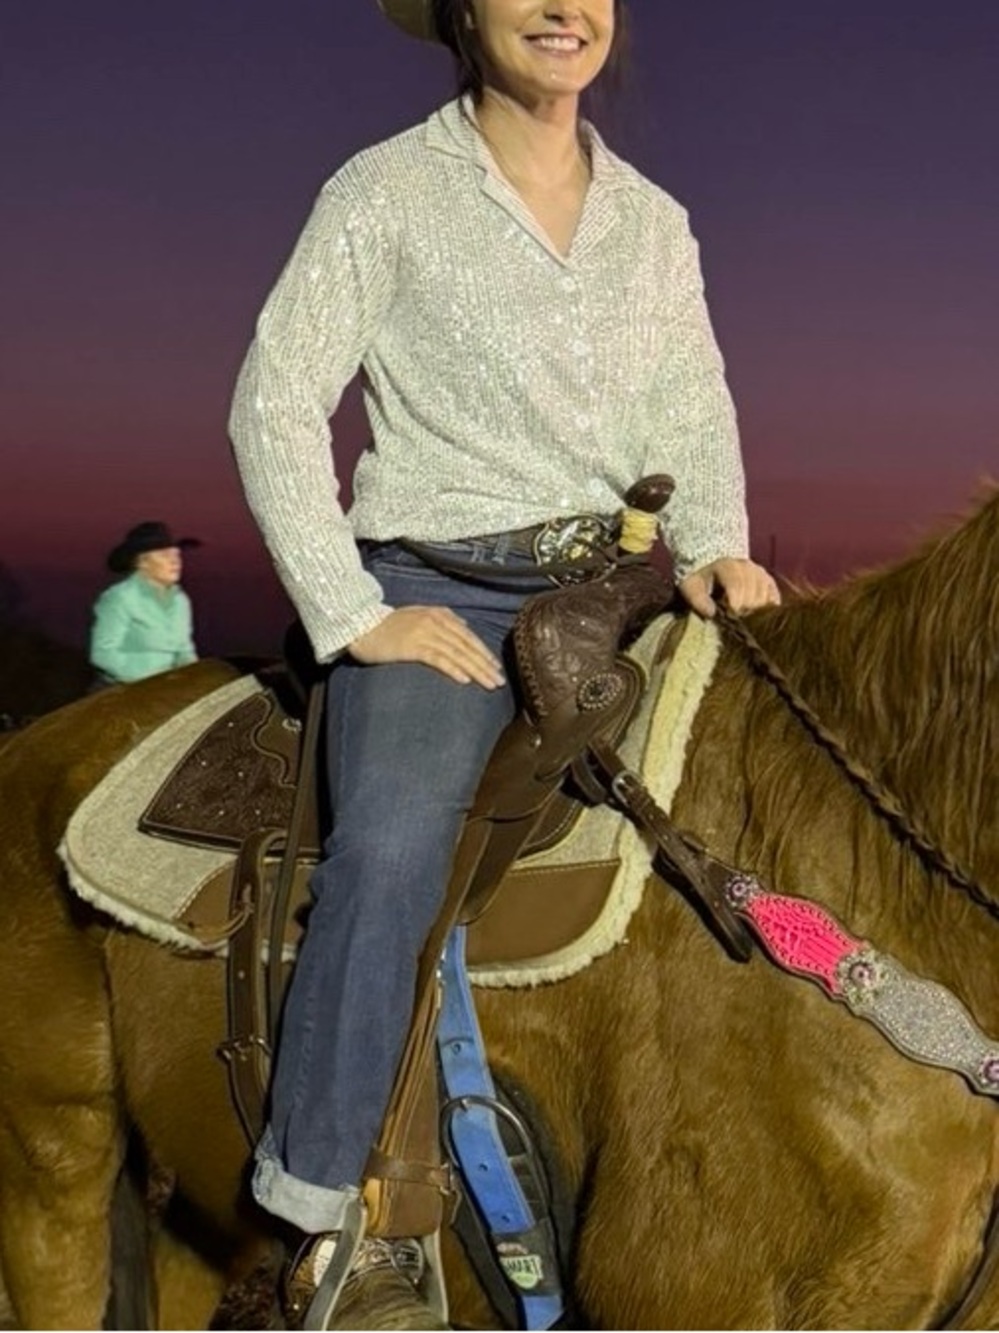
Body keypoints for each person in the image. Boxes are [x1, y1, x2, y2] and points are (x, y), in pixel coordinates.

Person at [228, 0, 781, 1325]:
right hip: (440, 589)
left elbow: (688, 402)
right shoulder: (385, 188)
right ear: (462, 11)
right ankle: (312, 1218)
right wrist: (353, 608)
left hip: (612, 589)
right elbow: (274, 396)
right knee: (394, 849)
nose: (560, 8)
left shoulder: (652, 220)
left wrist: (715, 545)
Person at [89, 520, 200, 685]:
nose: (175, 561)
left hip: (170, 689)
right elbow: (103, 654)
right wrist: (156, 675)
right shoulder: (119, 598)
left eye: (176, 554)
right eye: (164, 555)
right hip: (121, 692)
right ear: (142, 562)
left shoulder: (180, 601)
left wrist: (195, 678)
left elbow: (184, 650)